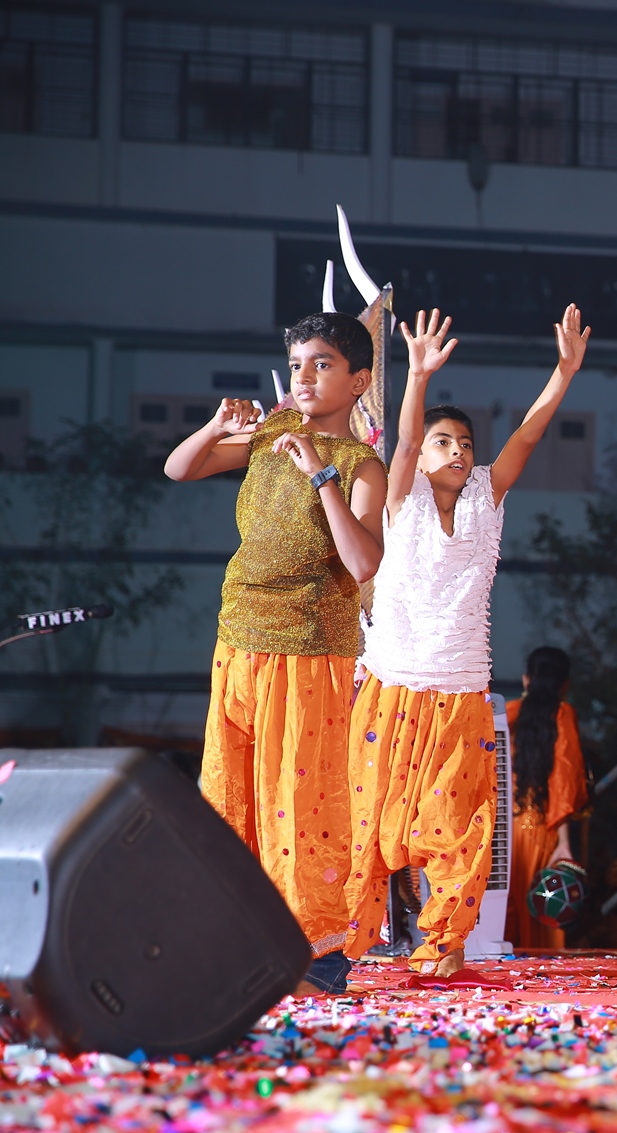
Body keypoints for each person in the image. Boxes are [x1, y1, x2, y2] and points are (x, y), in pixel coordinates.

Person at [343, 305, 591, 977]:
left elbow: (531, 435)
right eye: (443, 441)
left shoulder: (487, 494)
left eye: (464, 442)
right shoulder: (403, 497)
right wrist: (418, 376)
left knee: (458, 824)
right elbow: (398, 447)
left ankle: (445, 941)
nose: (457, 450)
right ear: (422, 456)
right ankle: (346, 937)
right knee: (372, 821)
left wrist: (564, 373)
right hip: (392, 686)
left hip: (459, 690)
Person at [165, 311, 387, 996]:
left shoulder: (361, 464)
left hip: (309, 650)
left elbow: (363, 562)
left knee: (302, 800)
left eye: (320, 364)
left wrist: (321, 473)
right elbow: (180, 468)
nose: (303, 377)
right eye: (296, 365)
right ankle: (232, 934)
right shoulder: (270, 435)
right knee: (229, 796)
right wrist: (212, 426)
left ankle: (320, 949)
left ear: (359, 381)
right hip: (238, 641)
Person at [505, 645, 591, 951]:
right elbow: (564, 779)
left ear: (527, 679)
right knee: (544, 910)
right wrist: (564, 842)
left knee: (506, 914)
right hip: (544, 830)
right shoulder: (563, 714)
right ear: (565, 685)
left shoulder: (507, 714)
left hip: (504, 834)